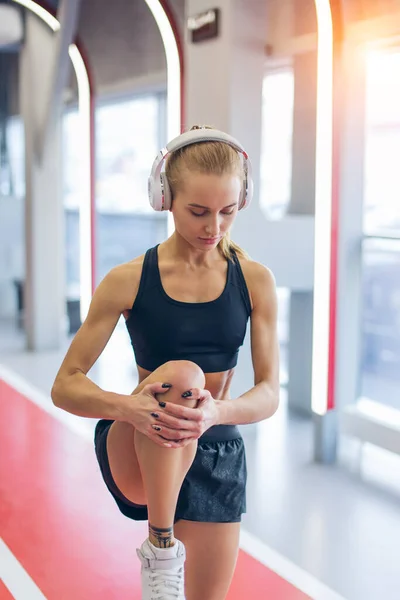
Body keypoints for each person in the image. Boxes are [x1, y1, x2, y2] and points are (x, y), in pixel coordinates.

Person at [51, 126, 280, 600]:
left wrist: (217, 412)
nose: (213, 227)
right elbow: (65, 386)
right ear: (165, 198)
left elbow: (269, 393)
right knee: (184, 376)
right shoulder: (128, 279)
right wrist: (127, 408)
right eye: (198, 211)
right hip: (140, 442)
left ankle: (166, 545)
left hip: (216, 449)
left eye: (227, 211)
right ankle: (159, 547)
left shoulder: (254, 280)